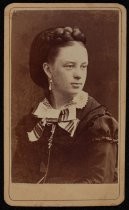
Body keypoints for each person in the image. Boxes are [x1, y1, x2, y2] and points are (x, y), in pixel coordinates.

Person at [12, 26, 118, 184]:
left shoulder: (98, 122)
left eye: (83, 66)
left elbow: (99, 185)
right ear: (48, 70)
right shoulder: (35, 120)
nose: (79, 74)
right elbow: (20, 176)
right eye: (69, 66)